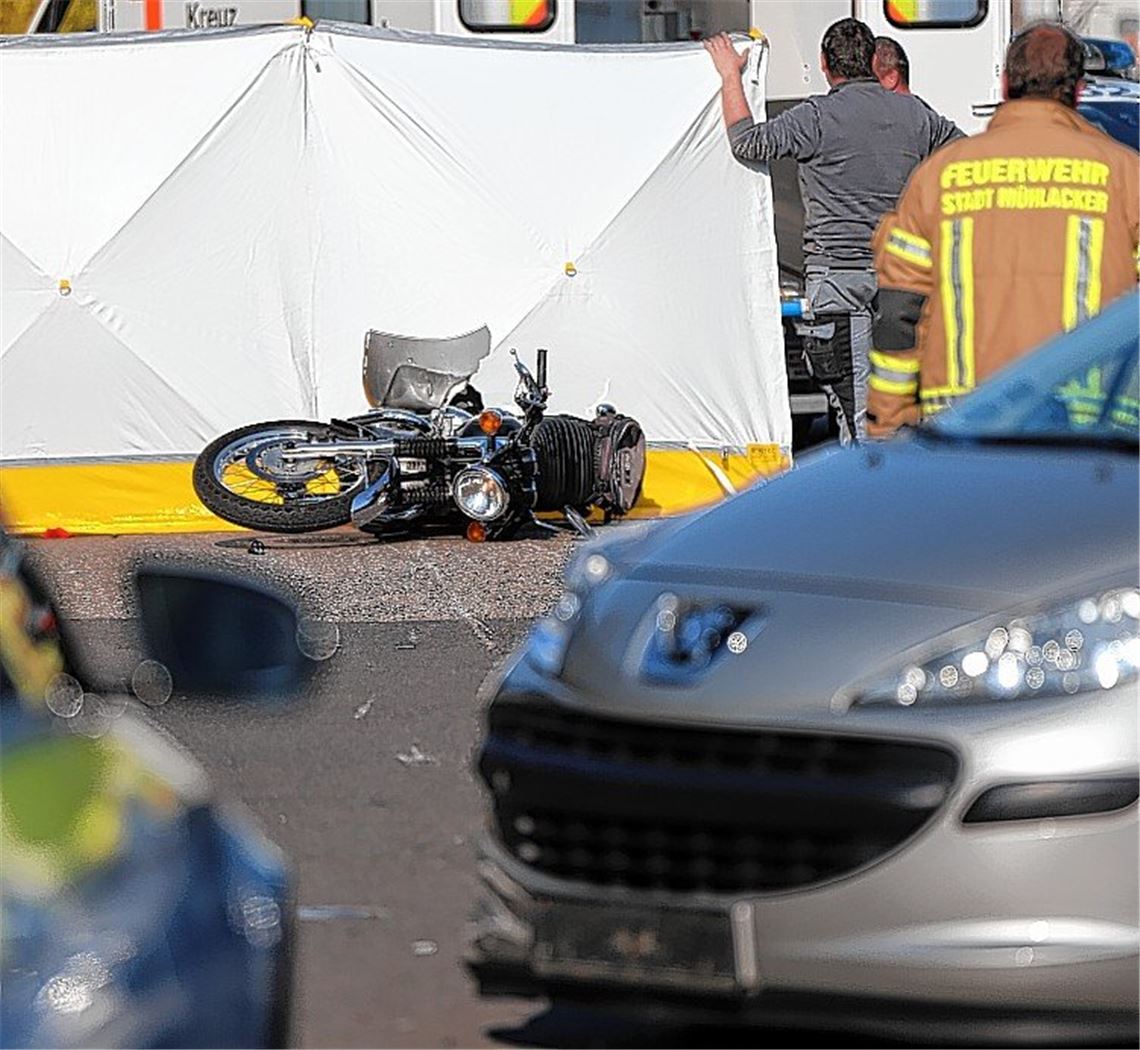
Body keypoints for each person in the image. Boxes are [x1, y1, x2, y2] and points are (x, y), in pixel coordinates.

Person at [867, 21, 1140, 437]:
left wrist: (888, 428)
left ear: (1005, 84)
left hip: (962, 429)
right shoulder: (1124, 176)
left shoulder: (938, 176)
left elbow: (898, 314)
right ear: (1078, 91)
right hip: (1090, 438)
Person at [705, 19, 962, 444]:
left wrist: (730, 75)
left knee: (857, 413)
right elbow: (962, 158)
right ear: (872, 60)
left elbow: (746, 143)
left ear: (824, 64)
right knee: (912, 404)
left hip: (838, 281)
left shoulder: (815, 117)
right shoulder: (915, 113)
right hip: (904, 278)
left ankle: (866, 481)